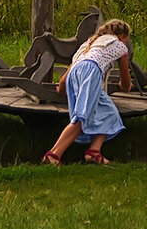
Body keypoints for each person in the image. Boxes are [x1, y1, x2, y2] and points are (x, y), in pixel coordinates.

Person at [43, 18, 133, 165]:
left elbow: (66, 78)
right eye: (127, 39)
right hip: (91, 72)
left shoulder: (88, 44)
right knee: (82, 116)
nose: (126, 43)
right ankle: (53, 154)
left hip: (76, 74)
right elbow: (126, 82)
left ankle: (94, 152)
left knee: (110, 112)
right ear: (122, 36)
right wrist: (125, 86)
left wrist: (62, 89)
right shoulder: (120, 46)